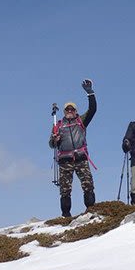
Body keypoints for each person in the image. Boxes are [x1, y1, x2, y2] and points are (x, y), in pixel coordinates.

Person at [49, 79, 96, 217]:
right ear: (64, 111)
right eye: (67, 109)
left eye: (72, 109)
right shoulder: (58, 126)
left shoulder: (81, 120)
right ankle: (66, 215)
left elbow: (93, 110)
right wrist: (55, 140)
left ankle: (90, 212)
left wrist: (90, 93)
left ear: (76, 111)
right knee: (65, 190)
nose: (70, 111)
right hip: (65, 161)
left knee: (88, 185)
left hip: (81, 158)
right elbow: (51, 144)